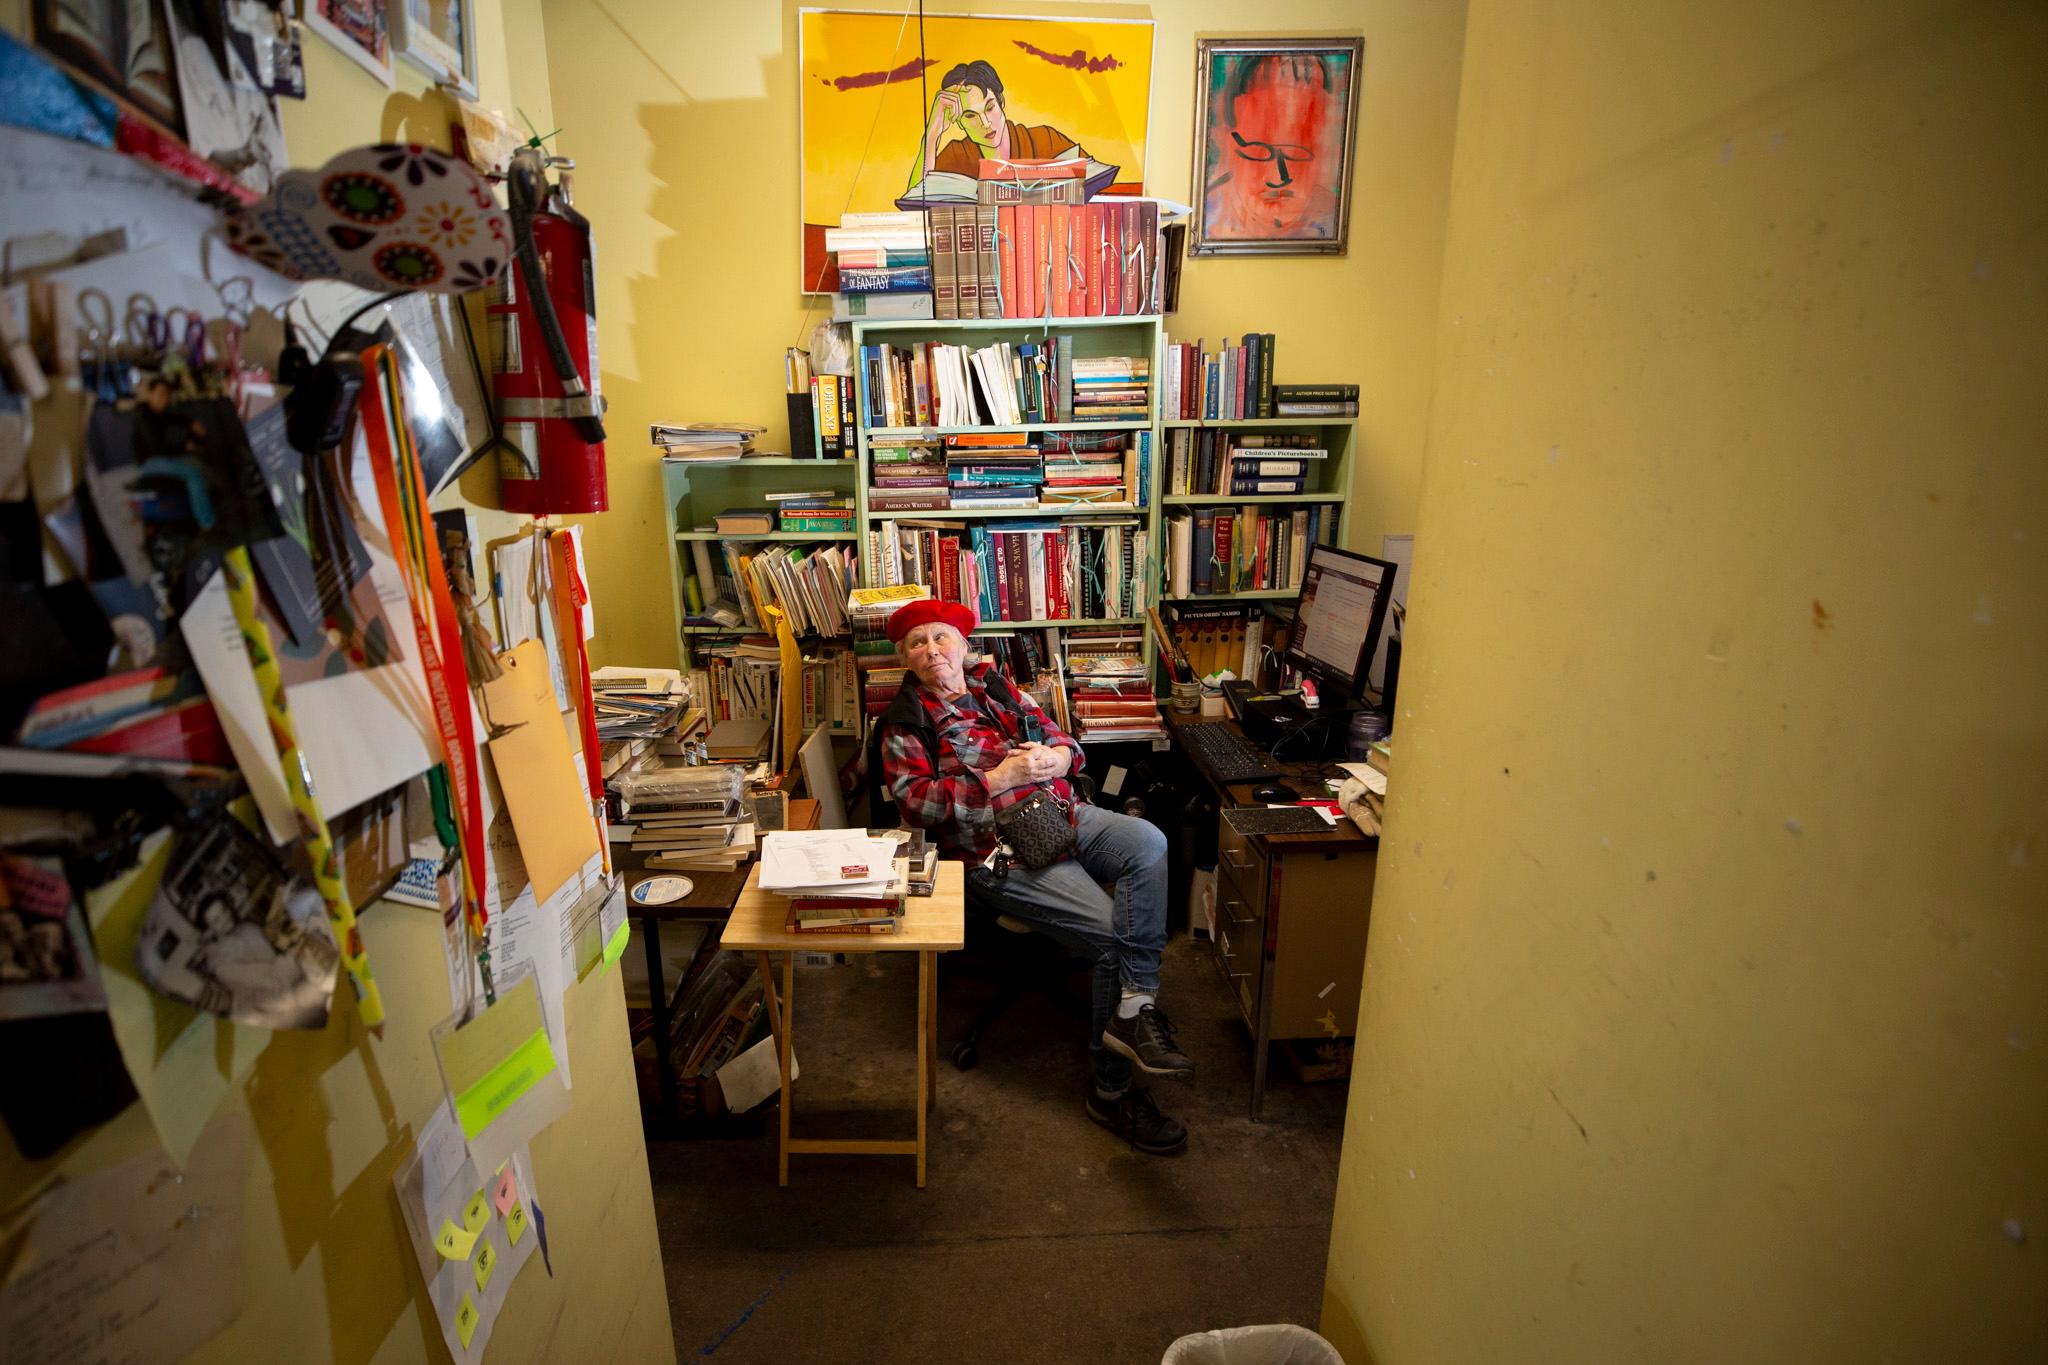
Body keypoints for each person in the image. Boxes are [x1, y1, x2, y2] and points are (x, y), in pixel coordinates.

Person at [877, 598, 1192, 1155]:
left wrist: (1059, 760)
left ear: (963, 644)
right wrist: (998, 778)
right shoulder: (906, 722)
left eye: (941, 638)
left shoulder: (993, 684)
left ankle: (1132, 1007)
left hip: (1061, 814)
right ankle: (1112, 1092)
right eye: (917, 644)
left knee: (1149, 840)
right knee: (1108, 938)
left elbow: (1062, 737)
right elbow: (916, 806)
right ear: (906, 658)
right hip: (995, 853)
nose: (932, 651)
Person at [907, 60, 1090, 195]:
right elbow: (917, 206)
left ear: (1001, 101)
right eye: (970, 116)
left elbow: (1094, 186)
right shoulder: (957, 156)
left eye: (989, 107)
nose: (985, 123)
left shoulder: (1045, 140)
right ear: (959, 121)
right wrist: (932, 135)